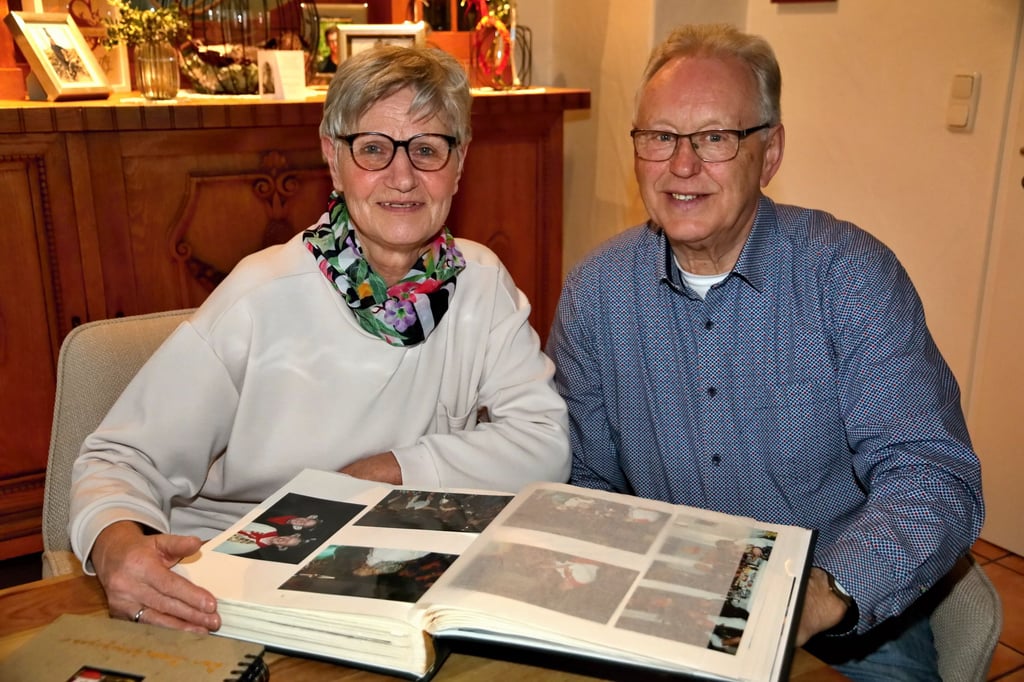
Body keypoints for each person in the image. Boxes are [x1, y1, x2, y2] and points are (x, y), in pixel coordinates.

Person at [70, 44, 570, 634]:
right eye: (374, 149)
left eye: (428, 150)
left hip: (397, 569)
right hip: (235, 582)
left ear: (458, 167)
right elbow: (120, 459)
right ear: (333, 159)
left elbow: (544, 443)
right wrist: (115, 548)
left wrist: (389, 470)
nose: (403, 177)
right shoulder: (260, 295)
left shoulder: (480, 283)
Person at [546, 23, 983, 681]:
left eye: (715, 138)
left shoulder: (849, 276)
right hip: (667, 607)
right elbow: (586, 478)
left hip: (839, 621)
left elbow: (932, 472)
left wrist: (817, 598)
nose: (682, 166)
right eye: (660, 137)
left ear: (769, 153)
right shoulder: (597, 292)